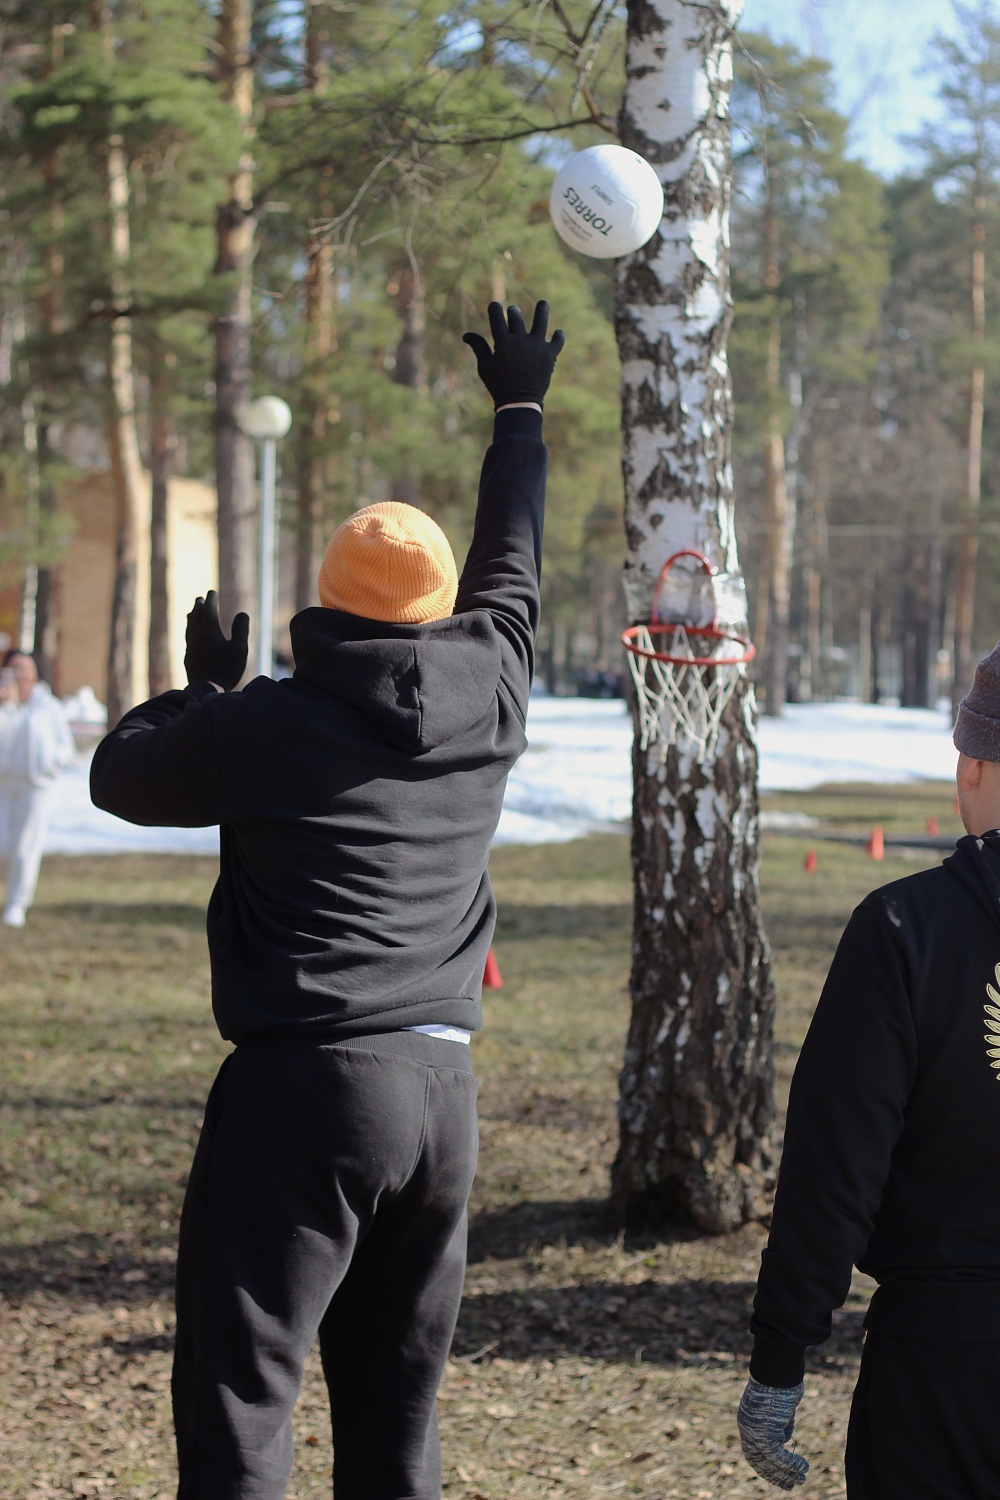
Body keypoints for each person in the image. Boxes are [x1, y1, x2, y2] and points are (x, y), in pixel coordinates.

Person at [90, 301, 564, 1500]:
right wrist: (519, 411)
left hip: (302, 1090)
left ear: (327, 600)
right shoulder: (493, 691)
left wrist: (203, 694)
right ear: (441, 604)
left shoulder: (269, 723)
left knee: (244, 1394)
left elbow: (120, 778)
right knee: (397, 1416)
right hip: (442, 1094)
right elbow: (513, 566)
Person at [736, 641, 1000, 1496]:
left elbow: (834, 1167)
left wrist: (781, 1354)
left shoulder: (903, 931)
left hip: (943, 1366)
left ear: (971, 764)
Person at [0, 648, 75, 927]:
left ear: (33, 673)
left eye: (23, 669)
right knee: (3, 846)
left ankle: (16, 904)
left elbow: (65, 748)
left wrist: (49, 764)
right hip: (4, 786)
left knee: (24, 848)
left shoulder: (48, 707)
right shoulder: (4, 706)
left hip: (35, 788)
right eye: (13, 669)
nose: (18, 675)